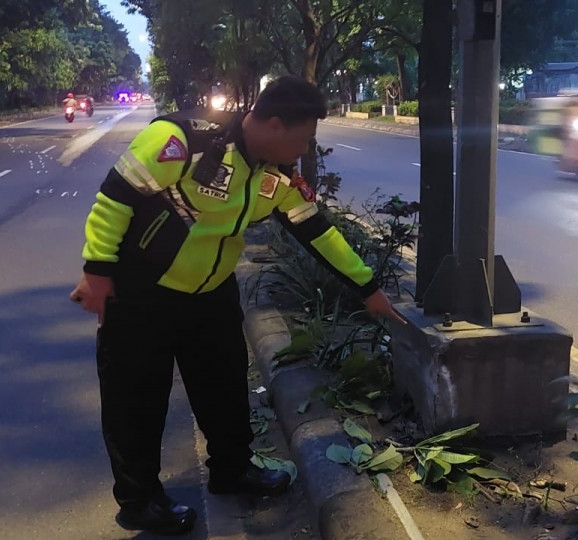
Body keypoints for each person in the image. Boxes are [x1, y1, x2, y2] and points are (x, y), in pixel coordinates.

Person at [69, 75, 404, 535]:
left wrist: (367, 288)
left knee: (224, 387)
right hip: (141, 293)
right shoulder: (183, 140)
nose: (307, 147)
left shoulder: (277, 174)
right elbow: (114, 199)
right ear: (272, 124)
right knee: (136, 401)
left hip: (211, 294)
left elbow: (315, 230)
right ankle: (139, 500)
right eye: (304, 137)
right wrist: (97, 271)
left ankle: (232, 469)